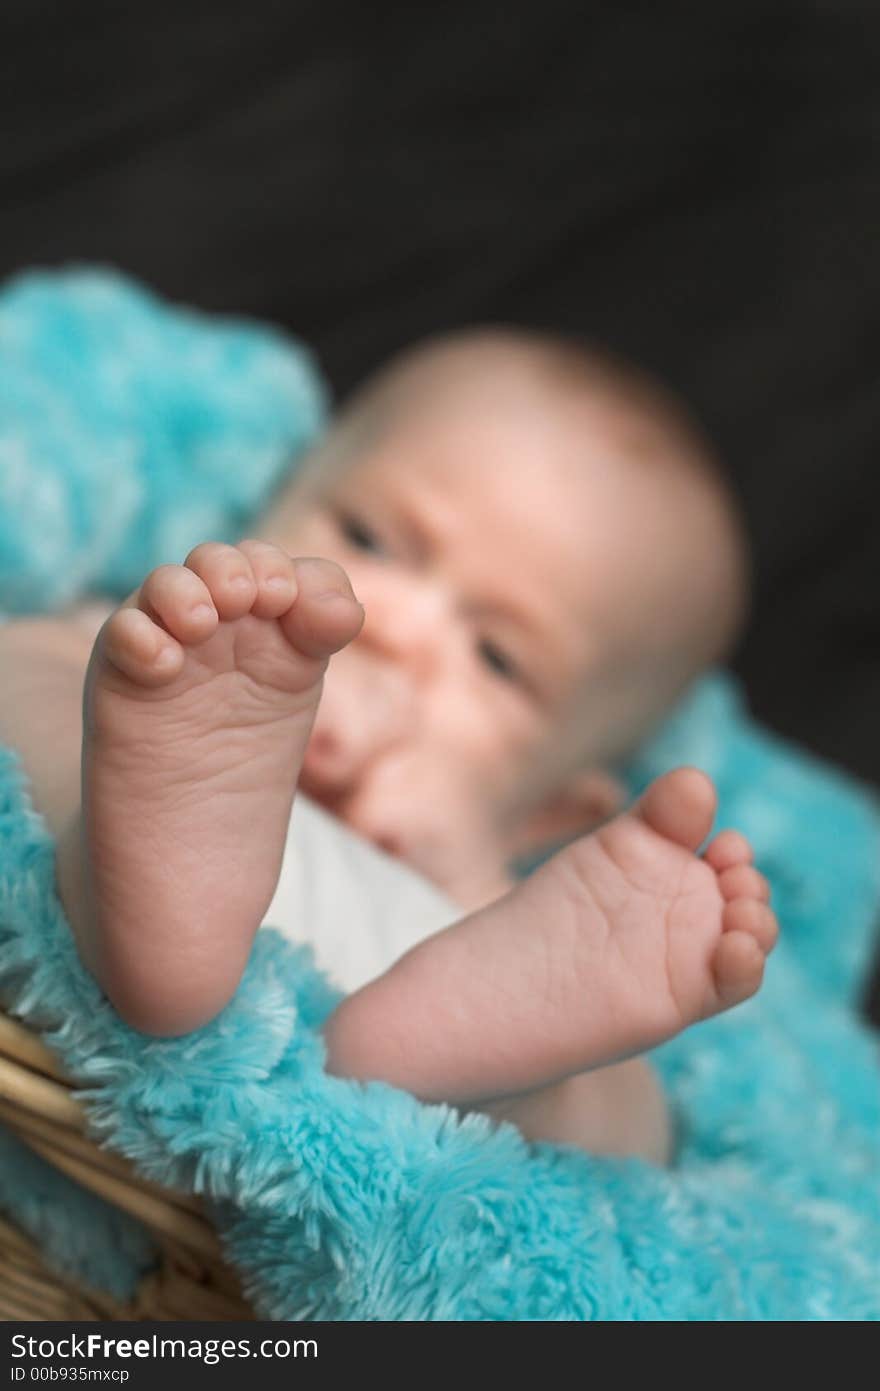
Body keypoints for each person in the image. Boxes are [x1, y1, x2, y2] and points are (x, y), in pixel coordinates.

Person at [0, 329, 777, 1165]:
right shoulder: (151, 651)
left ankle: (487, 1065)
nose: (397, 631)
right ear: (282, 489)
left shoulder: (478, 885)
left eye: (497, 660)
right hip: (140, 801)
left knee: (621, 1099)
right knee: (35, 668)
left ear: (550, 813)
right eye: (370, 539)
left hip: (398, 972)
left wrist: (468, 869)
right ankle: (121, 869)